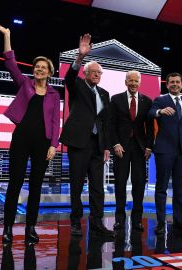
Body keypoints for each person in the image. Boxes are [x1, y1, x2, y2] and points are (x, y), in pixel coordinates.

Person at [0, 22, 60, 244]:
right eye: (37, 67)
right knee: (15, 183)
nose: (39, 69)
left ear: (49, 72)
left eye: (43, 67)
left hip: (43, 143)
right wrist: (7, 35)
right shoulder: (25, 84)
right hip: (21, 139)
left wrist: (53, 144)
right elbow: (10, 62)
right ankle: (8, 229)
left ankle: (30, 227)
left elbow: (55, 121)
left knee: (36, 185)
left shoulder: (53, 94)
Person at [60, 33, 114, 238]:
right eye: (93, 72)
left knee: (98, 187)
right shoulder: (78, 86)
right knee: (76, 183)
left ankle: (97, 223)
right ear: (85, 73)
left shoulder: (104, 94)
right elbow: (69, 78)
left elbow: (105, 122)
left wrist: (107, 145)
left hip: (98, 145)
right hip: (78, 142)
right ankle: (75, 222)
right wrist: (80, 57)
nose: (97, 75)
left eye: (99, 73)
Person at [148, 72, 182, 236]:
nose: (175, 84)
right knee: (161, 188)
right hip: (164, 150)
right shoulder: (160, 100)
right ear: (167, 85)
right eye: (171, 82)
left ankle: (179, 222)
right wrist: (160, 112)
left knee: (180, 189)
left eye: (177, 82)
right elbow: (149, 114)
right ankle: (161, 223)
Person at [110, 70, 153, 232]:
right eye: (131, 81)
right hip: (121, 147)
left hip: (140, 148)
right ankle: (119, 219)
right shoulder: (116, 99)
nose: (134, 83)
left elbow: (149, 128)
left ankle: (137, 220)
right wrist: (115, 144)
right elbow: (111, 125)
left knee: (139, 184)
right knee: (120, 184)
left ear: (140, 83)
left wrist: (149, 146)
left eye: (136, 81)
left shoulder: (147, 101)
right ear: (126, 82)